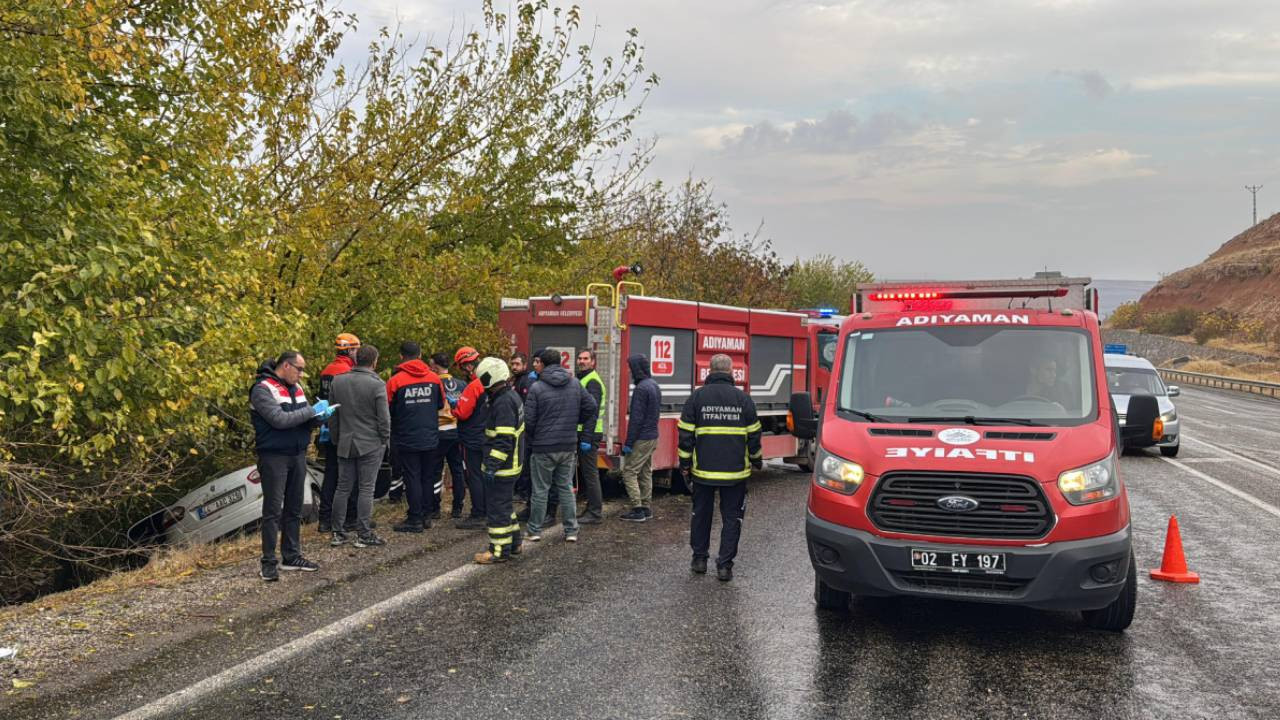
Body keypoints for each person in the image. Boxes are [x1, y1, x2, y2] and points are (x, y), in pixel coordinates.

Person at [679, 353, 762, 582]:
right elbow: (754, 435)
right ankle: (724, 566)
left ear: (709, 371)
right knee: (732, 518)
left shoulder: (696, 398)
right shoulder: (743, 400)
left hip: (703, 472)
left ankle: (699, 559)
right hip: (735, 473)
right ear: (731, 372)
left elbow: (686, 436)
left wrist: (685, 465)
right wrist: (756, 460)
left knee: (701, 515)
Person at [249, 351, 328, 581]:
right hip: (274, 455)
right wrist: (311, 411)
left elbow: (303, 419)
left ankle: (291, 556)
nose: (302, 374)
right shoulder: (262, 389)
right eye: (299, 369)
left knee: (294, 507)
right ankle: (268, 562)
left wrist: (320, 416)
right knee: (273, 510)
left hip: (297, 453)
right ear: (285, 365)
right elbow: (280, 420)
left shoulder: (298, 388)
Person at [524, 348, 597, 543]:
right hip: (568, 445)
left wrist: (535, 437)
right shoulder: (574, 383)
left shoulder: (537, 387)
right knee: (566, 488)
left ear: (544, 364)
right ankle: (571, 530)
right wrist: (574, 421)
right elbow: (591, 407)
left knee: (540, 490)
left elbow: (529, 421)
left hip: (543, 446)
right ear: (561, 362)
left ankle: (534, 530)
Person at [329, 345, 390, 548]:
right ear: (374, 361)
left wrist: (337, 438)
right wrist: (384, 439)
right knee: (366, 488)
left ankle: (337, 532)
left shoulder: (338, 381)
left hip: (346, 441)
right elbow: (384, 418)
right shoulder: (377, 384)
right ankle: (363, 533)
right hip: (371, 442)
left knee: (343, 487)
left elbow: (333, 415)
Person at [386, 341, 446, 533]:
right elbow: (440, 404)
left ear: (401, 356)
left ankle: (414, 519)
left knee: (412, 477)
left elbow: (388, 408)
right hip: (430, 435)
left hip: (406, 437)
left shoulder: (395, 380)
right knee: (427, 476)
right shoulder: (434, 378)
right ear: (420, 355)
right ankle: (427, 515)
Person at [473, 357, 525, 564]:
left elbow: (503, 440)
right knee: (504, 507)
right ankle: (514, 543)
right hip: (512, 464)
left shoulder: (503, 402)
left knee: (496, 509)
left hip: (504, 467)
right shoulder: (510, 396)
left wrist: (491, 467)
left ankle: (498, 550)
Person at [316, 333, 361, 533]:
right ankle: (351, 518)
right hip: (346, 430)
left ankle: (324, 519)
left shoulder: (327, 371)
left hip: (327, 429)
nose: (357, 353)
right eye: (356, 350)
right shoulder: (348, 372)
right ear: (350, 350)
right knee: (351, 475)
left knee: (331, 475)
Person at [619, 353, 661, 522]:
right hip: (652, 436)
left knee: (629, 472)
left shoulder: (641, 389)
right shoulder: (653, 385)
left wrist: (629, 443)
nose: (629, 371)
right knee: (645, 472)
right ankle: (646, 507)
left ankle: (637, 510)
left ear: (637, 368)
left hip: (642, 437)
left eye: (631, 367)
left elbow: (636, 419)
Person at [451, 346, 488, 529]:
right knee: (486, 474)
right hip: (488, 435)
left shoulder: (474, 386)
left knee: (474, 476)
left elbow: (462, 413)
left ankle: (478, 513)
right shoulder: (492, 381)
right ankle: (487, 510)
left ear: (466, 366)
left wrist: (454, 406)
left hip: (472, 437)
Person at [429, 352, 467, 519]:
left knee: (436, 470)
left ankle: (434, 508)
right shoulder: (461, 384)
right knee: (457, 469)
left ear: (435, 366)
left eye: (431, 365)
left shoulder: (433, 383)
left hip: (440, 430)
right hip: (458, 430)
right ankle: (458, 507)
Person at [574, 349, 606, 524]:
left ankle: (594, 512)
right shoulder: (583, 378)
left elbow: (592, 412)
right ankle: (591, 509)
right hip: (585, 432)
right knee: (587, 474)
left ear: (593, 362)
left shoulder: (592, 381)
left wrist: (586, 438)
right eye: (579, 358)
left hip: (590, 433)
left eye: (586, 358)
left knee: (590, 474)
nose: (582, 361)